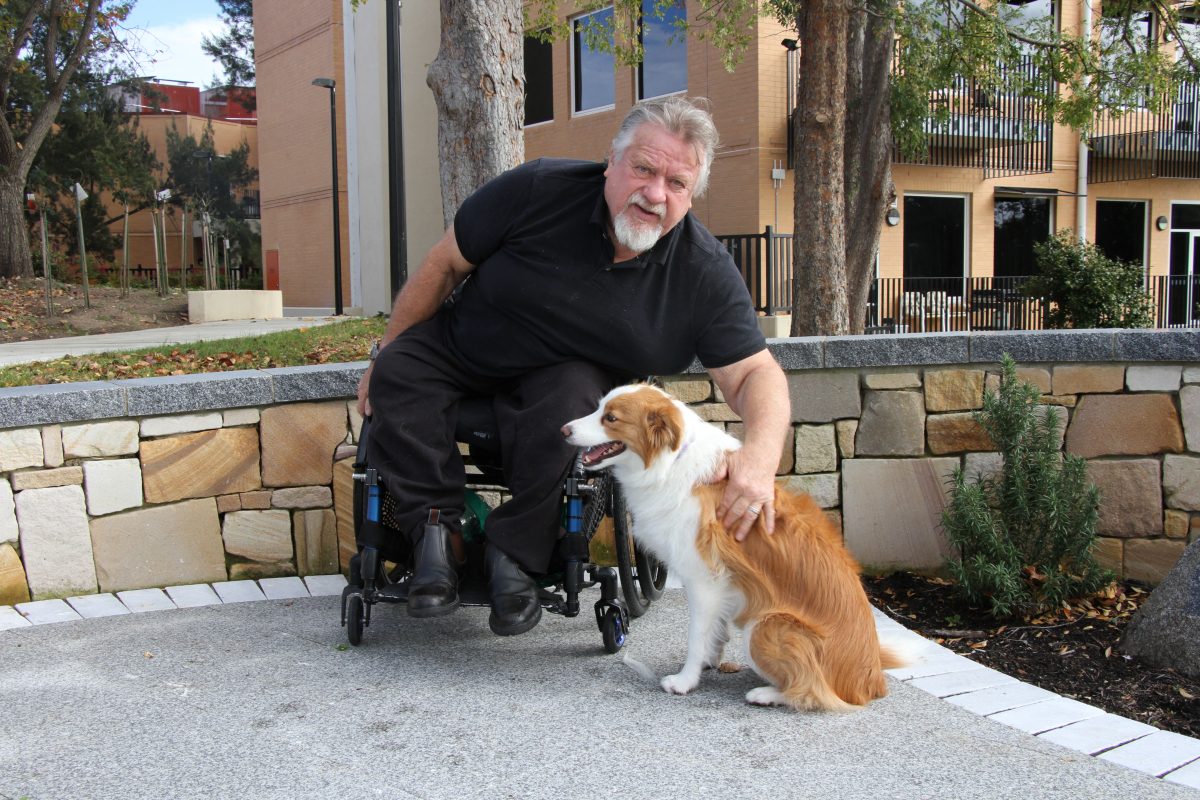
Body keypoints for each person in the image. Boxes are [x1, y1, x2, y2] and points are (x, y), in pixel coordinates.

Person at [356, 96, 790, 637]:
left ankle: (514, 556)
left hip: (564, 380)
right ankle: (440, 535)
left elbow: (754, 373)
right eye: (644, 169)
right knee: (399, 370)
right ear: (612, 161)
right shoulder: (537, 189)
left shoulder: (701, 272)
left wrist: (760, 458)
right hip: (467, 347)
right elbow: (444, 264)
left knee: (572, 406)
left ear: (691, 196)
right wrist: (385, 353)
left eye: (676, 184)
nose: (655, 194)